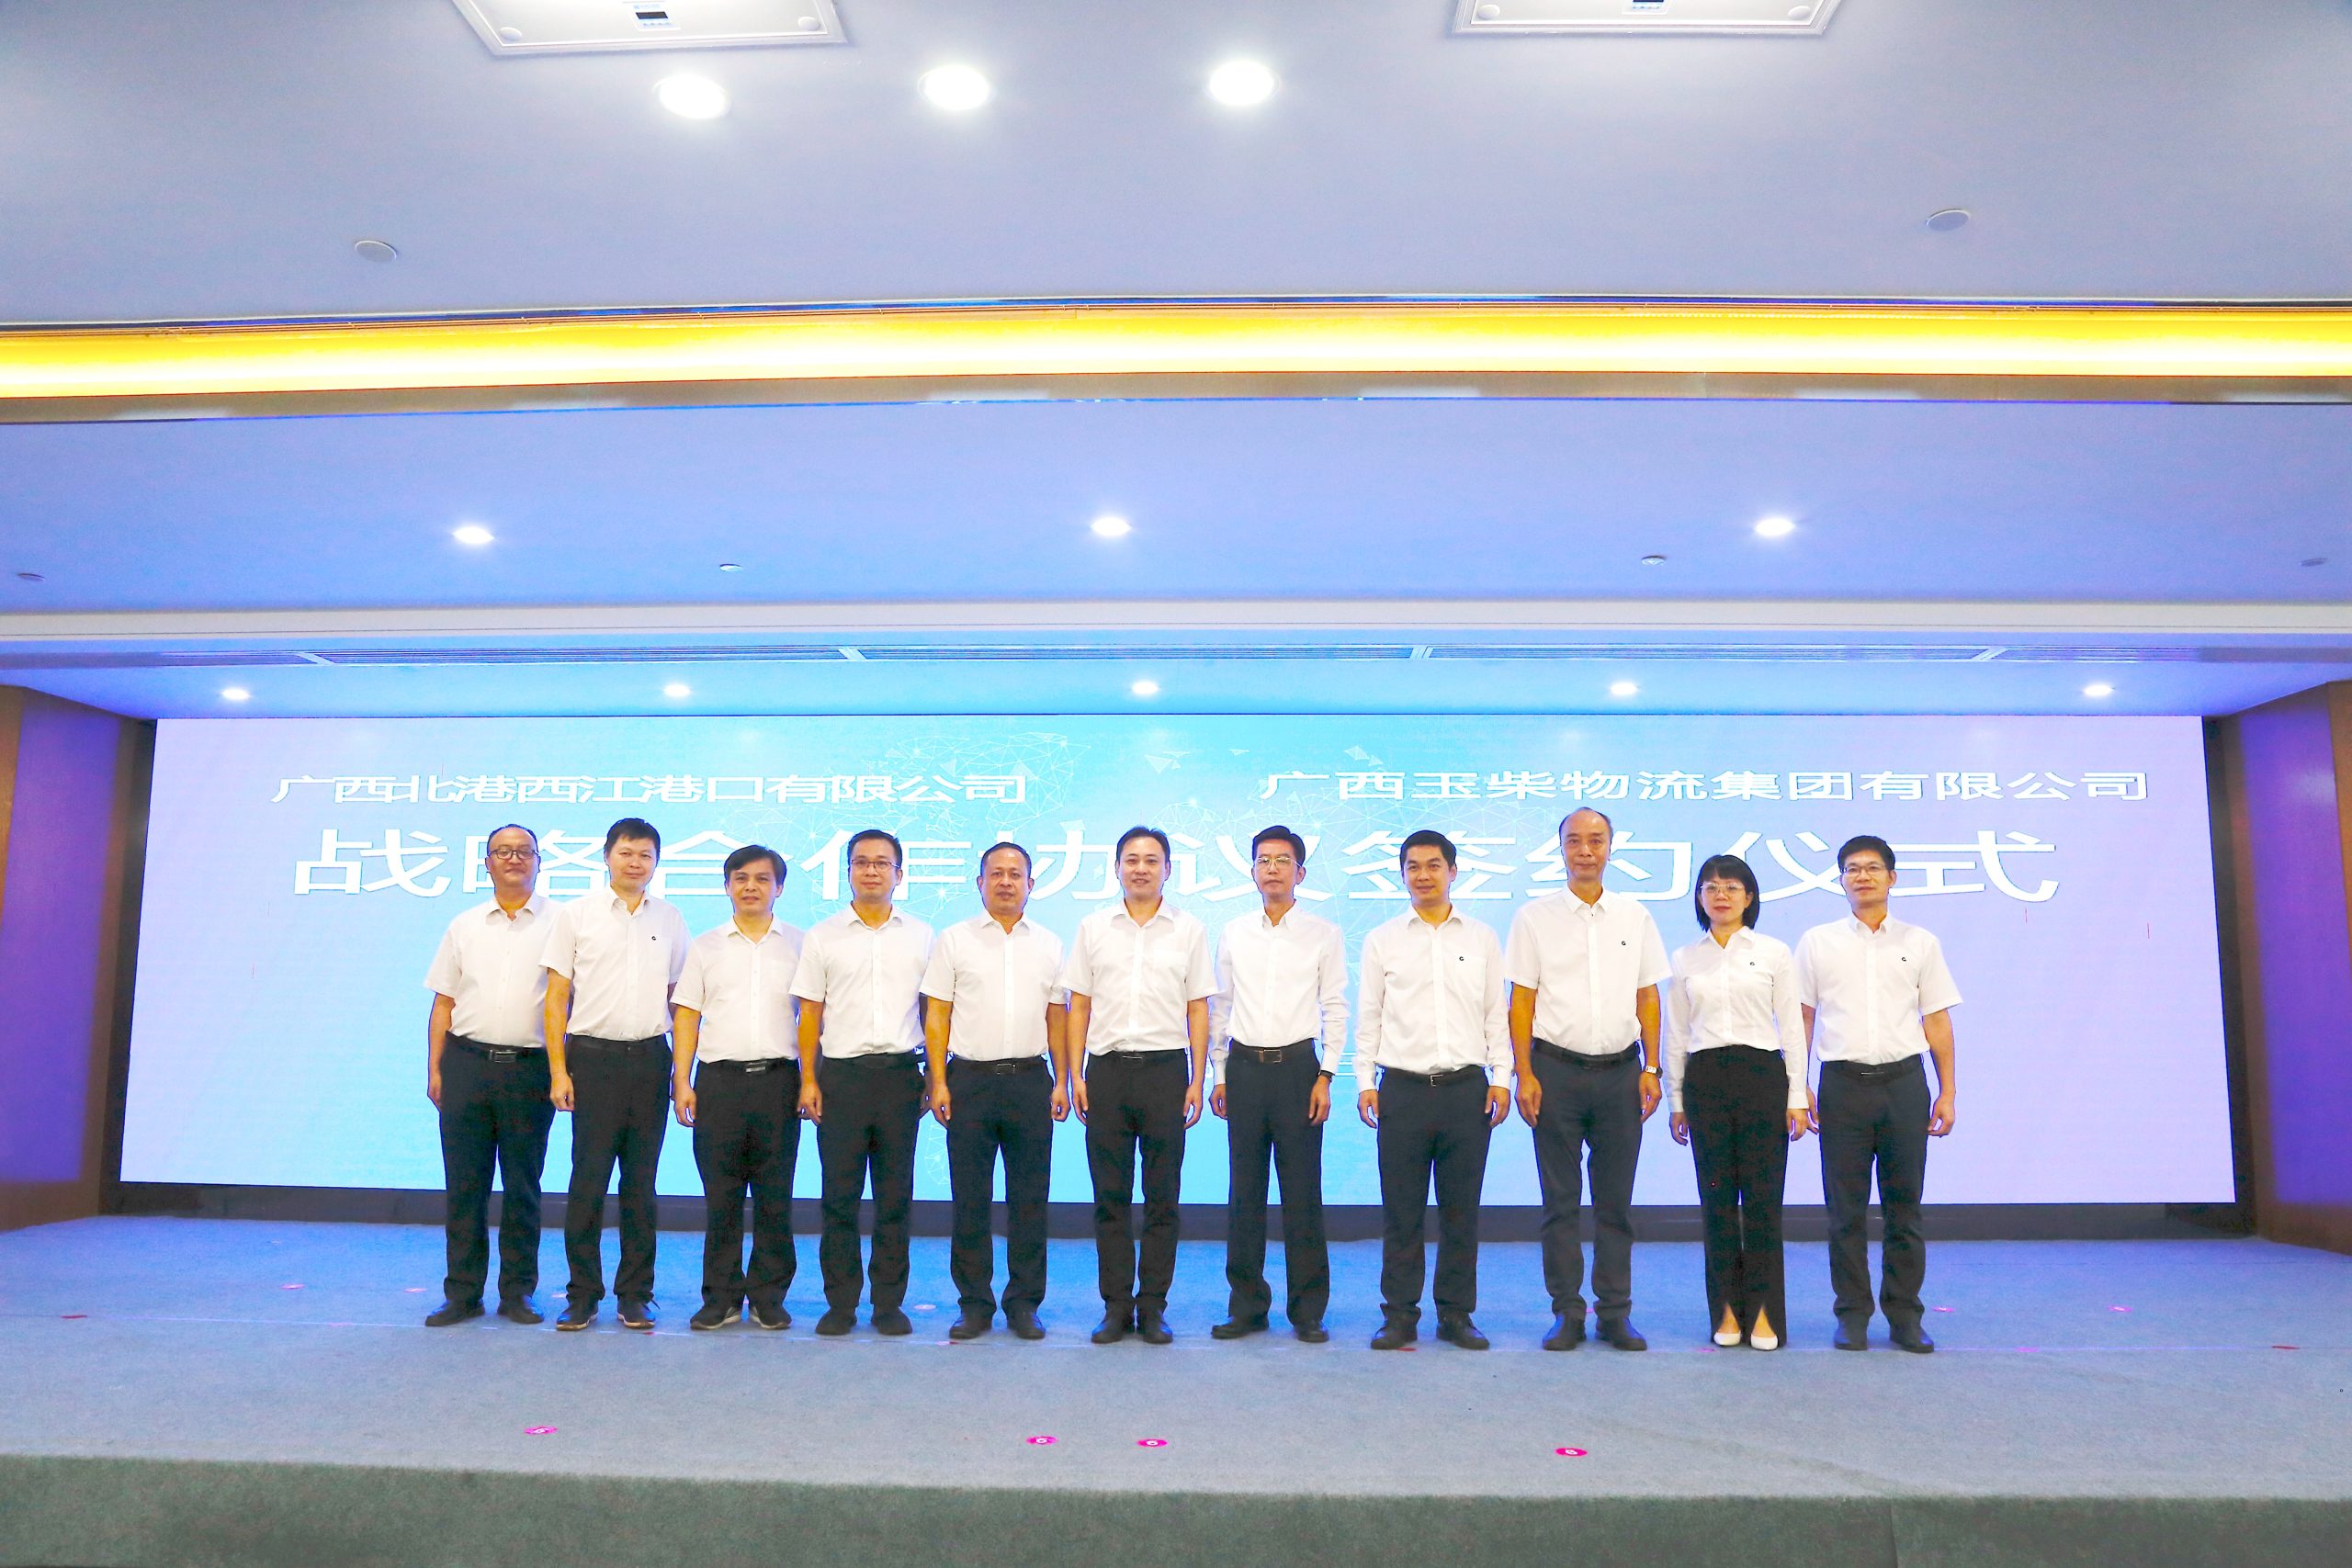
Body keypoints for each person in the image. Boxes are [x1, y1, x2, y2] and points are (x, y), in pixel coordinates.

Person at [1504, 807, 1670, 1352]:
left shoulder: (1634, 916)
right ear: (1561, 849)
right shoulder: (1534, 917)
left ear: (1610, 847)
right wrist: (1524, 1072)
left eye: (1595, 840)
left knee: (1615, 1203)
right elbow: (1521, 1001)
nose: (1585, 850)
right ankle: (1567, 1311)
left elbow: (1648, 995)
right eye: (1574, 841)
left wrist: (1651, 1067)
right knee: (1560, 1202)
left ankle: (1615, 1312)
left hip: (1621, 1073)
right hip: (1554, 1072)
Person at [1795, 834, 1962, 1354]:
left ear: (1892, 877)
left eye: (1872, 868)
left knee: (1904, 1209)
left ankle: (1905, 1316)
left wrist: (1948, 1091)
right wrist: (1798, 1083)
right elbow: (1802, 1018)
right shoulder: (1817, 942)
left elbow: (1936, 1020)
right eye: (1852, 869)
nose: (1862, 876)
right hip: (1842, 1086)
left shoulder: (1920, 942)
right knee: (1844, 1211)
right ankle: (1852, 1315)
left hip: (1904, 1085)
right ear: (1840, 880)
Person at [1356, 830, 1511, 1351]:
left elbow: (1495, 1014)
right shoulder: (1382, 939)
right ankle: (1399, 1314)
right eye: (1413, 866)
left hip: (1466, 1090)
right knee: (1401, 1211)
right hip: (1400, 1090)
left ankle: (1456, 1314)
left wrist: (1501, 1077)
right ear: (1402, 874)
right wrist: (1365, 1081)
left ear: (1453, 871)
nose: (1423, 875)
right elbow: (1369, 1017)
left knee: (1461, 1210)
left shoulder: (1481, 938)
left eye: (1434, 865)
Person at [1062, 826, 1215, 1346]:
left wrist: (1197, 1078)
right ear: (1117, 869)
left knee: (1162, 1198)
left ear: (1168, 869)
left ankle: (1152, 1306)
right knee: (1109, 1197)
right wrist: (1076, 1074)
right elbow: (1079, 1005)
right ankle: (1115, 1306)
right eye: (1132, 859)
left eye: (1152, 860)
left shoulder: (1189, 930)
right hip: (1106, 1072)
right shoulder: (1093, 928)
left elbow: (1198, 1007)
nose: (1141, 868)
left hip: (1166, 1072)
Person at [541, 817, 689, 1332]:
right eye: (626, 852)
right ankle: (582, 1294)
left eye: (645, 855)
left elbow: (679, 999)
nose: (635, 863)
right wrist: (558, 1070)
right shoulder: (576, 915)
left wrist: (681, 1071)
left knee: (641, 1183)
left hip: (649, 1059)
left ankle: (635, 1294)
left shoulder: (670, 918)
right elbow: (556, 998)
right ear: (607, 856)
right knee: (588, 1181)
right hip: (592, 1060)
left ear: (656, 862)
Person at [920, 841, 1069, 1341]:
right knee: (971, 1199)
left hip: (1030, 1080)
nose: (1006, 882)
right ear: (979, 882)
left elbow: (1056, 1018)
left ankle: (1024, 1303)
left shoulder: (1049, 944)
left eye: (1015, 874)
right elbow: (937, 1014)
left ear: (1031, 884)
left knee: (1030, 1198)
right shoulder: (954, 939)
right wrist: (938, 1080)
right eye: (996, 873)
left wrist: (1062, 1081)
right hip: (970, 1081)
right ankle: (974, 1304)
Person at [791, 829, 933, 1337]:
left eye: (881, 863)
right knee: (839, 1197)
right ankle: (841, 1304)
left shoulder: (922, 936)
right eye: (860, 862)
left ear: (899, 873)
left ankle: (888, 1304)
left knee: (895, 1197)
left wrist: (933, 1075)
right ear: (848, 870)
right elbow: (810, 1014)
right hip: (841, 1077)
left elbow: (933, 1011)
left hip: (899, 1076)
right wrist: (808, 1078)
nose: (871, 870)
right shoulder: (823, 936)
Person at [1664, 853, 1809, 1351]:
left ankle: (1765, 1314)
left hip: (1762, 1077)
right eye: (1710, 887)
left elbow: (1791, 1029)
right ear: (1699, 898)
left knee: (1764, 1201)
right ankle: (1726, 1312)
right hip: (1705, 1080)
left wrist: (1796, 1095)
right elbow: (1676, 1034)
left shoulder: (1773, 952)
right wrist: (1676, 1098)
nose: (1720, 895)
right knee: (1717, 1202)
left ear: (1749, 897)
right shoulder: (1685, 958)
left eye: (1731, 886)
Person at [1208, 825, 1346, 1344]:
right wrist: (1219, 1072)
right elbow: (1221, 1006)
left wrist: (1327, 1074)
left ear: (1300, 873)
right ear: (1252, 871)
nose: (1272, 868)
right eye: (1263, 860)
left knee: (1302, 1193)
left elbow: (1334, 1006)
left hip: (1298, 1071)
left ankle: (1307, 1310)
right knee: (1244, 1193)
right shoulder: (1234, 932)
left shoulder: (1323, 934)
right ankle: (1247, 1305)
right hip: (1244, 1069)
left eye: (1283, 860)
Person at [422, 824, 555, 1326]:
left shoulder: (562, 924)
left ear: (539, 861)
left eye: (524, 851)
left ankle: (518, 1292)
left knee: (524, 1186)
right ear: (487, 864)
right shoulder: (465, 925)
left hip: (530, 1069)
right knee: (465, 1185)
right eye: (503, 851)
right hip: (466, 1065)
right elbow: (444, 1002)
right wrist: (435, 1068)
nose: (514, 859)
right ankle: (462, 1293)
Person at [671, 845, 804, 1333]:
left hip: (779, 1082)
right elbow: (687, 1015)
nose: (751, 886)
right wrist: (681, 1081)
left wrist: (811, 1079)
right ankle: (721, 1297)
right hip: (719, 1083)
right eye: (741, 878)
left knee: (775, 1195)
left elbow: (815, 1018)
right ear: (726, 886)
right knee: (721, 1196)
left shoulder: (801, 945)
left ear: (779, 888)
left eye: (763, 879)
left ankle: (769, 1296)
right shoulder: (706, 946)